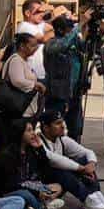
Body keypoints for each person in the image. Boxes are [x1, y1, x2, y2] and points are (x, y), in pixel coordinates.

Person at [34, 112, 104, 209]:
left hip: (61, 181)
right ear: (46, 128)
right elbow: (53, 159)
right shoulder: (38, 141)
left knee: (84, 159)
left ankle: (95, 193)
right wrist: (81, 168)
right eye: (57, 123)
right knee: (61, 169)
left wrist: (91, 164)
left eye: (62, 122)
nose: (62, 126)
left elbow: (87, 152)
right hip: (45, 182)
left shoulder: (62, 140)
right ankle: (86, 198)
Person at [42, 9, 88, 140]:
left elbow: (87, 50)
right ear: (61, 30)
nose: (73, 32)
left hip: (74, 93)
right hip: (58, 94)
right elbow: (63, 45)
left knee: (76, 128)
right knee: (54, 128)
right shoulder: (51, 44)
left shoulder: (75, 44)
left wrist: (88, 31)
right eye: (70, 29)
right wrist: (79, 26)